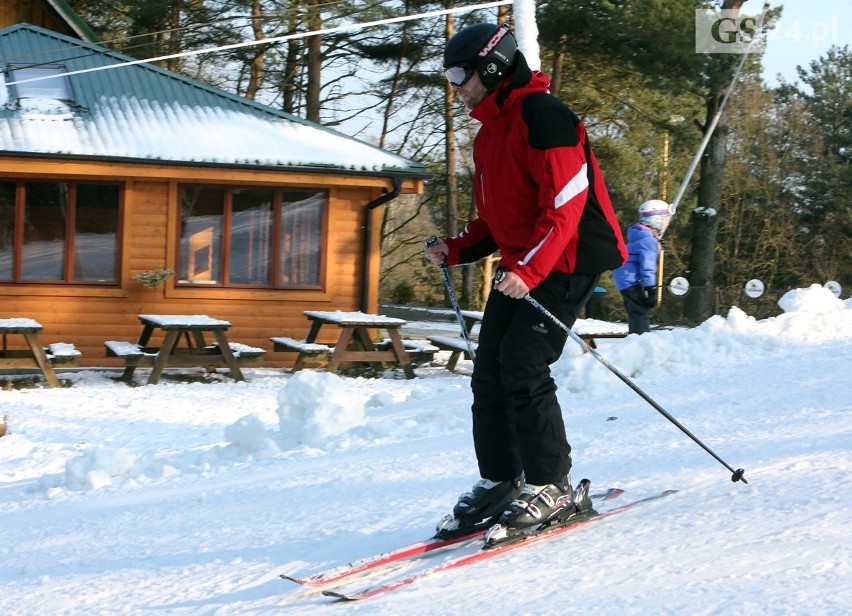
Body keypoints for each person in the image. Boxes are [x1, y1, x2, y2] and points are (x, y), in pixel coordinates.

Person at [424, 23, 627, 539]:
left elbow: (564, 206)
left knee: (523, 362)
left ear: (491, 67)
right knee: (488, 365)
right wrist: (457, 248)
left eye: (459, 74)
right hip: (526, 262)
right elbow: (496, 218)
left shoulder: (545, 117)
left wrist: (528, 270)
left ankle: (551, 484)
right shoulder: (491, 131)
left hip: (569, 258)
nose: (455, 85)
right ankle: (500, 478)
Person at [612, 200, 673, 335]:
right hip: (629, 278)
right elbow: (647, 266)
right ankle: (640, 339)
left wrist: (656, 244)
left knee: (636, 310)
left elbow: (641, 252)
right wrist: (650, 289)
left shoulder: (642, 234)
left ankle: (638, 339)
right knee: (640, 311)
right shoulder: (649, 240)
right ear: (656, 221)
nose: (667, 224)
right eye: (665, 220)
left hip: (624, 276)